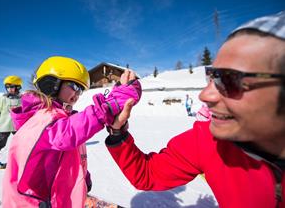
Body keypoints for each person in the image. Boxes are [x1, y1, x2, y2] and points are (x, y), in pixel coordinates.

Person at [105, 11, 285, 208]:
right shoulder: (209, 140)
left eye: (231, 79)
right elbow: (148, 174)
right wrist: (117, 132)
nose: (205, 95)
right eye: (213, 77)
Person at [2, 56, 141, 208]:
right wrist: (110, 105)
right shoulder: (41, 119)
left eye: (80, 90)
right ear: (51, 84)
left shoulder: (60, 118)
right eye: (74, 86)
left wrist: (83, 178)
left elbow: (67, 155)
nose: (77, 94)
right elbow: (68, 134)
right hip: (35, 203)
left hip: (57, 195)